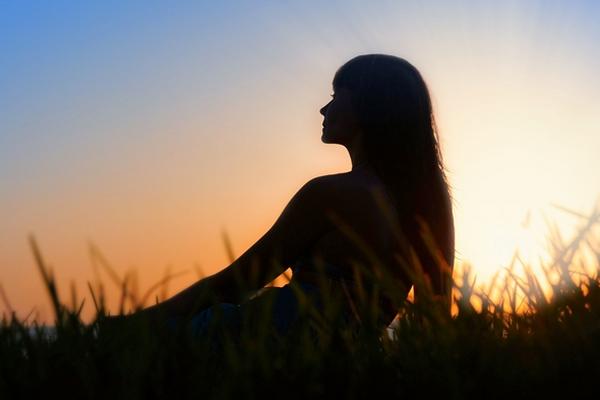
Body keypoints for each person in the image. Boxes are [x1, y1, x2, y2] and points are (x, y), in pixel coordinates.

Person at [105, 54, 455, 340]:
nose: (323, 110)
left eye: (334, 97)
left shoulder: (331, 194)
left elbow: (239, 280)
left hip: (262, 338)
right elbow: (435, 311)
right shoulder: (429, 199)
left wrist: (136, 323)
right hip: (350, 354)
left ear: (367, 105)